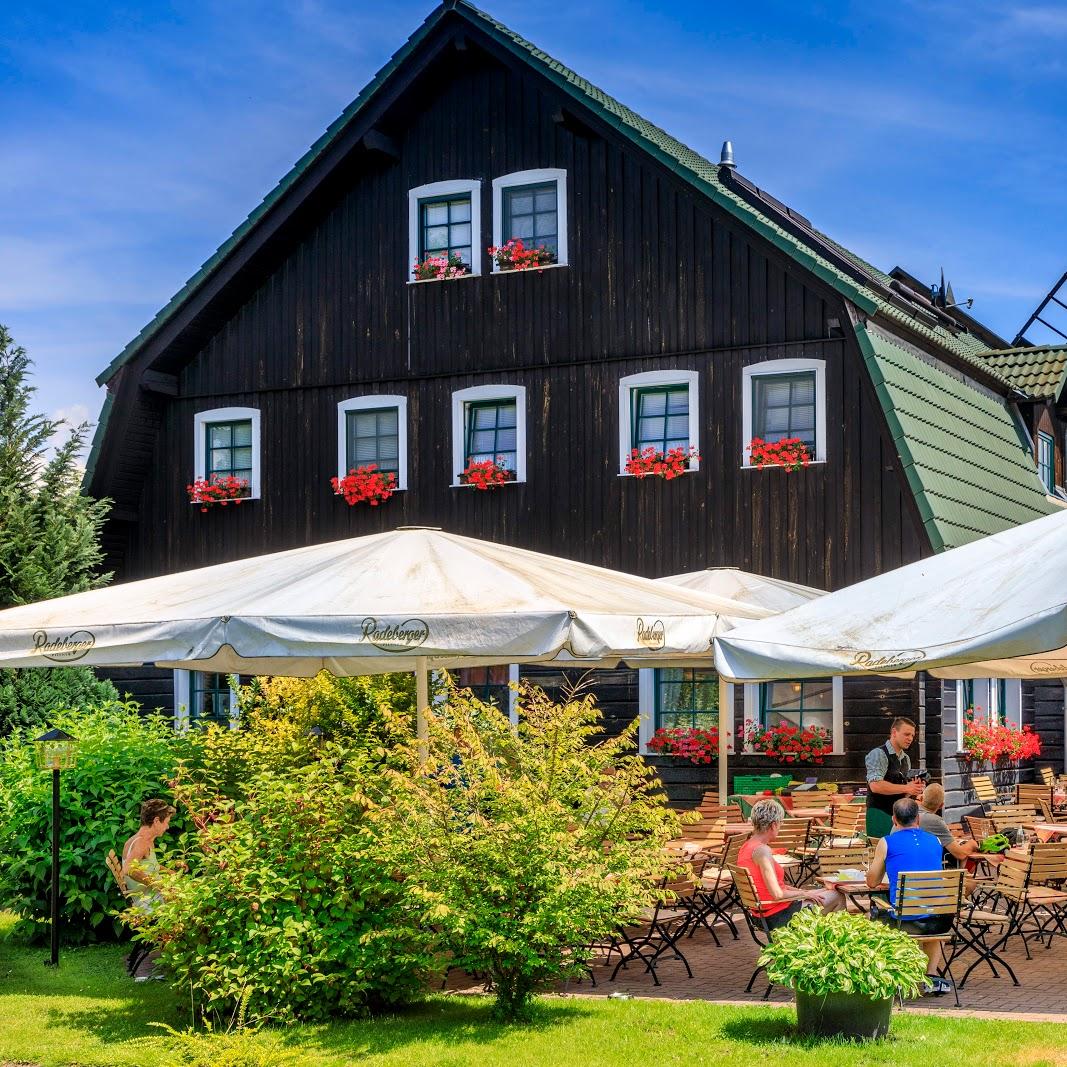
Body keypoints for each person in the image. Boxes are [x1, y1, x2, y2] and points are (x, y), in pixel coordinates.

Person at [866, 797, 952, 995]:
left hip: (905, 921)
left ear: (894, 820)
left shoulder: (887, 842)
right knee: (931, 911)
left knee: (872, 914)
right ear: (918, 819)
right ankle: (931, 976)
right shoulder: (935, 841)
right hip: (940, 921)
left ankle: (890, 973)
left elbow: (872, 882)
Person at [737, 798, 844, 930]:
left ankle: (818, 939)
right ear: (774, 824)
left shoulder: (746, 847)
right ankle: (826, 942)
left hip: (763, 913)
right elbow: (778, 894)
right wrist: (804, 894)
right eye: (781, 823)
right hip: (777, 916)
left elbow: (775, 888)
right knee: (838, 896)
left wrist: (803, 891)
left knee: (829, 891)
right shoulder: (762, 851)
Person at [864, 717, 923, 839]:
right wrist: (907, 788)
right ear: (894, 732)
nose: (910, 738)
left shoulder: (906, 758)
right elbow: (875, 786)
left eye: (912, 735)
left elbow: (902, 791)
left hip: (901, 817)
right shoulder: (878, 753)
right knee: (881, 854)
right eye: (906, 734)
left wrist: (914, 790)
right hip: (880, 814)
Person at [121, 798, 175, 912]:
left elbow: (150, 865)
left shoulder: (144, 840)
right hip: (148, 902)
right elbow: (128, 869)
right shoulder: (141, 843)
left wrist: (170, 872)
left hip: (151, 896)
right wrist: (159, 886)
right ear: (156, 821)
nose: (167, 827)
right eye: (166, 822)